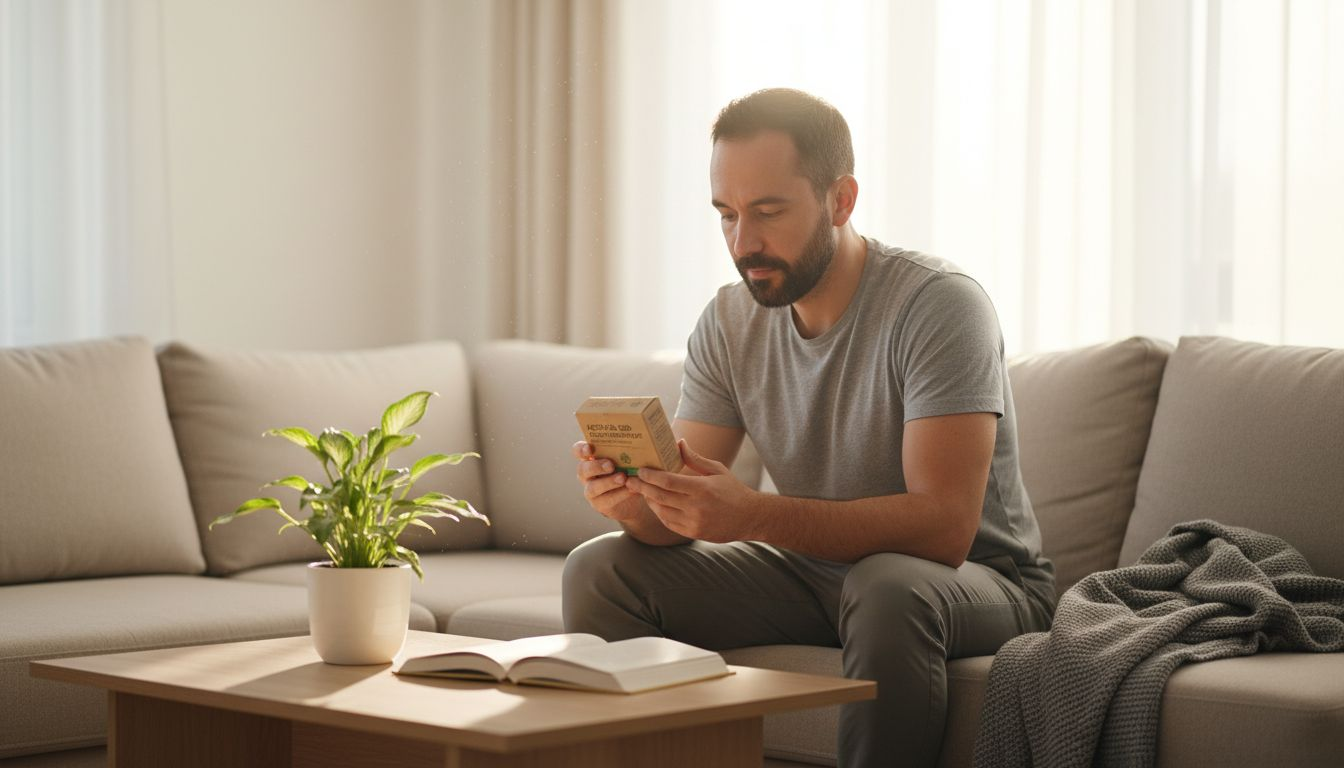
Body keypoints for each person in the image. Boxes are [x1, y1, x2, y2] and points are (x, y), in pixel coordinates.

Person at [563, 87, 1056, 768]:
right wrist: (634, 503)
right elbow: (675, 517)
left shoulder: (940, 305)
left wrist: (752, 515)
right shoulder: (729, 322)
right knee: (601, 570)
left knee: (886, 587)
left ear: (840, 200)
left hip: (979, 581)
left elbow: (944, 528)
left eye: (768, 212)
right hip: (815, 574)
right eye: (727, 215)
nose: (744, 243)